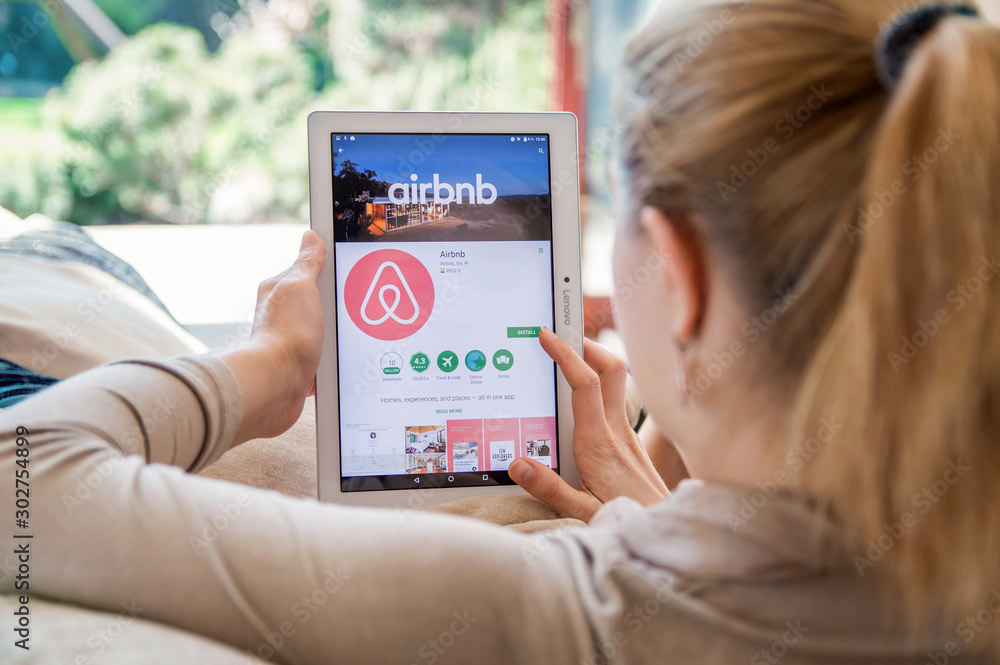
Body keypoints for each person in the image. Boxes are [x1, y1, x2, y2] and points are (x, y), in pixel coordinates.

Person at [2, 0, 999, 662]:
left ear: (681, 274)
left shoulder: (564, 611)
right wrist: (656, 515)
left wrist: (263, 361)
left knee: (50, 263)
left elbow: (21, 482)